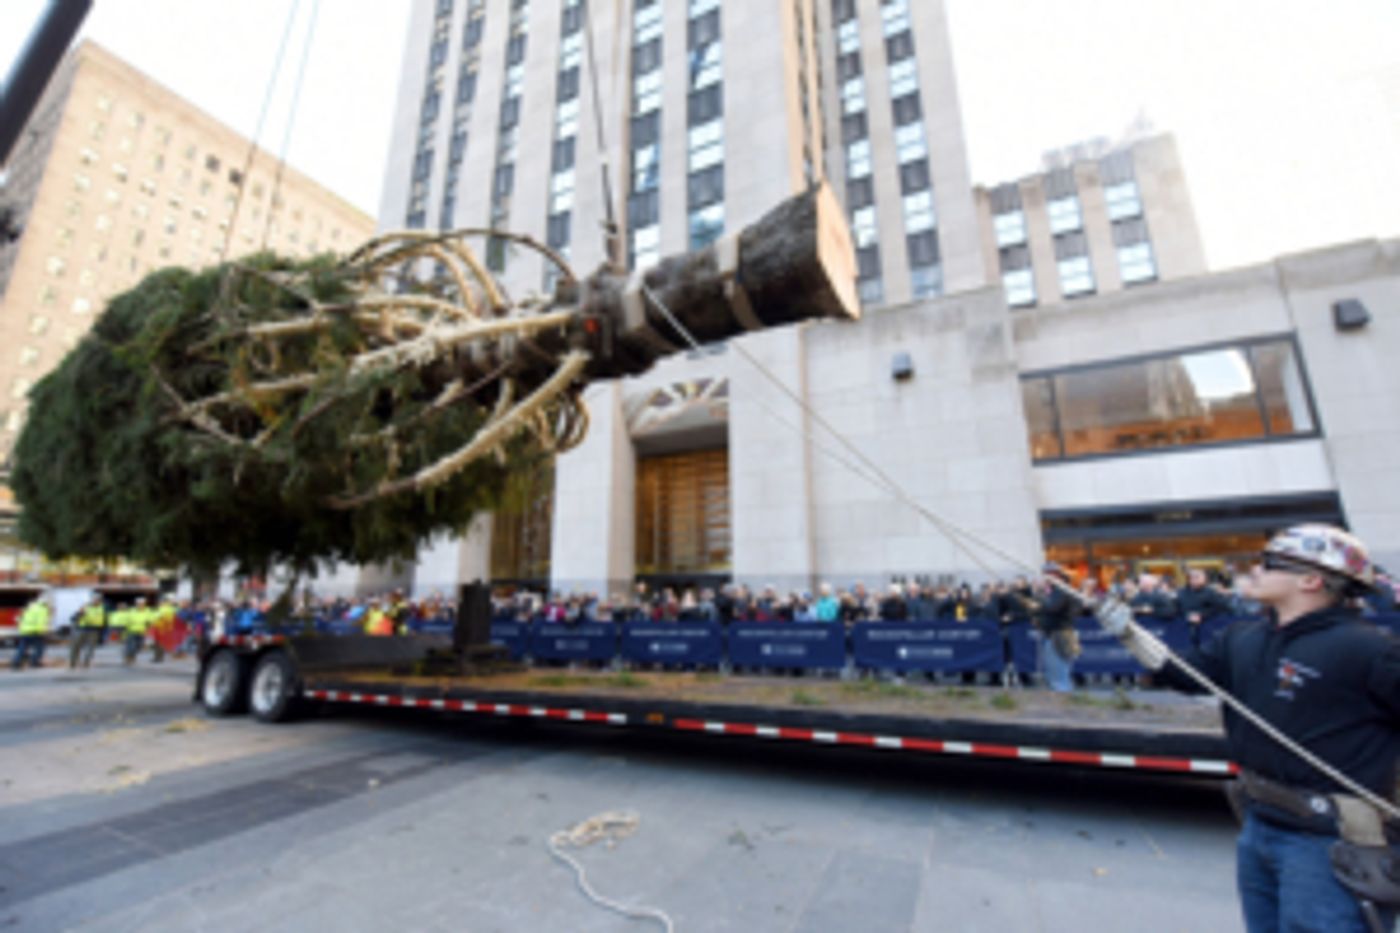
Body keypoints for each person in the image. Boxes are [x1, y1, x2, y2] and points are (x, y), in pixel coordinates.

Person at [1098, 525, 1398, 932]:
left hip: (1329, 841)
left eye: (1271, 563)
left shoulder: (1369, 649)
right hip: (1259, 823)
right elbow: (1185, 674)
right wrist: (1128, 634)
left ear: (1311, 580)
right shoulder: (1244, 636)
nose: (1255, 569)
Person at [1033, 564, 1078, 692]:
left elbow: (1052, 607)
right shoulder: (1055, 591)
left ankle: (1063, 696)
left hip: (1060, 633)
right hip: (1054, 633)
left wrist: (1040, 596)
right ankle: (1061, 694)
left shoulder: (1062, 591)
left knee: (1058, 670)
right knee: (1055, 670)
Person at [10, 593, 51, 670]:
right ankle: (34, 662)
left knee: (22, 647)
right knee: (40, 648)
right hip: (35, 631)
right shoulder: (43, 609)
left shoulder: (29, 607)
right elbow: (41, 621)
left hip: (24, 630)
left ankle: (16, 662)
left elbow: (19, 618)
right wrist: (43, 631)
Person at [69, 595, 106, 668]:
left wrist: (102, 634)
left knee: (90, 648)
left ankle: (86, 662)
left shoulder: (102, 609)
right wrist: (80, 613)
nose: (96, 601)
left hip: (94, 630)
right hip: (81, 629)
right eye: (95, 599)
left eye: (98, 600)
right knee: (75, 646)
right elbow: (73, 619)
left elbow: (104, 621)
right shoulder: (85, 607)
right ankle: (73, 662)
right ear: (92, 600)